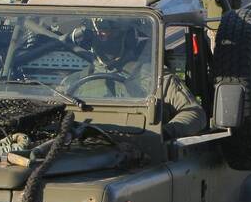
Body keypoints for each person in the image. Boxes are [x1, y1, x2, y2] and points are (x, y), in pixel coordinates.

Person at [63, 18, 205, 138]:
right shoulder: (73, 82)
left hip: (140, 154)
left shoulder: (155, 77)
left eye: (110, 34)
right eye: (99, 34)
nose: (104, 39)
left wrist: (162, 133)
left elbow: (194, 113)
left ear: (129, 37)